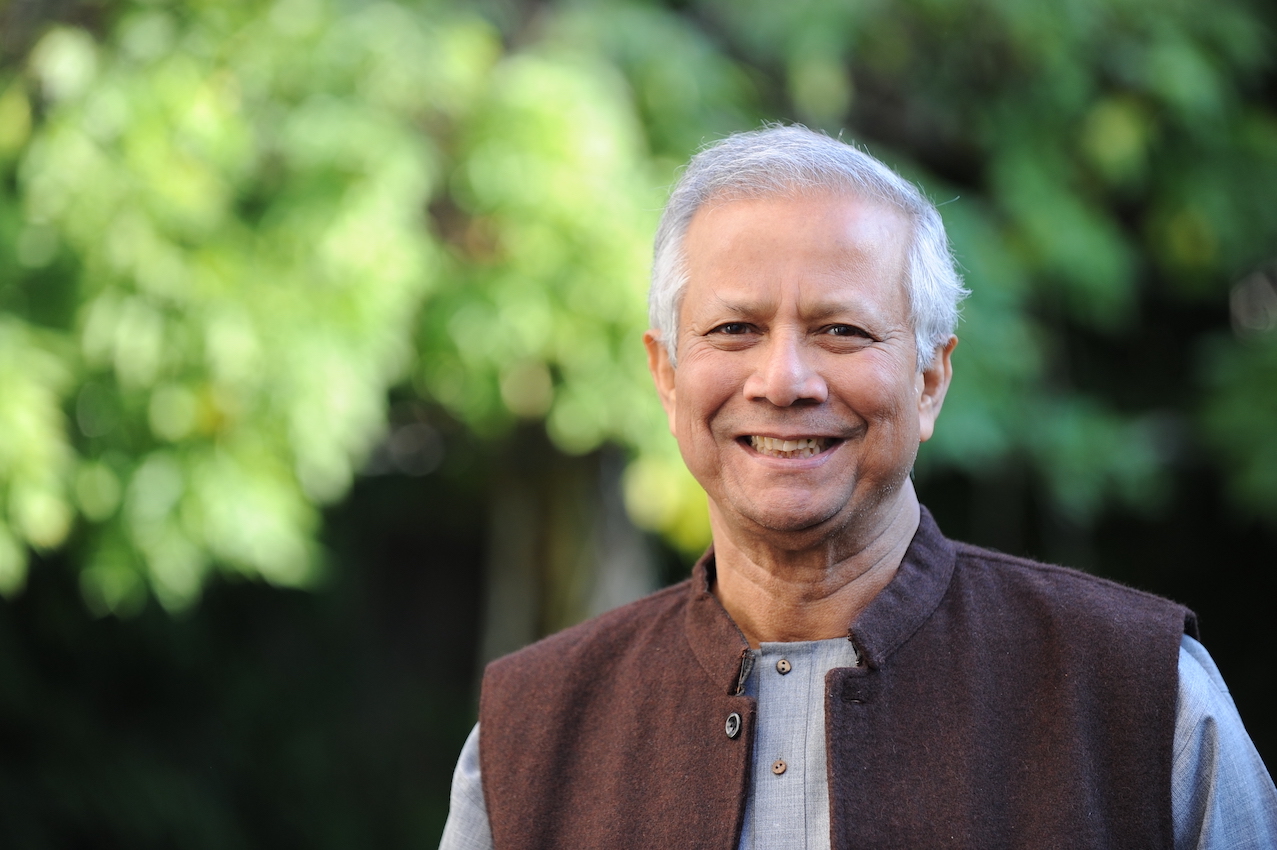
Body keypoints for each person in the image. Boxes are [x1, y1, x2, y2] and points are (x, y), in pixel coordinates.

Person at [440, 125, 1277, 849]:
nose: (783, 381)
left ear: (929, 379)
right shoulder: (528, 735)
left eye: (840, 330)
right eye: (734, 329)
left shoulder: (1139, 695)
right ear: (666, 376)